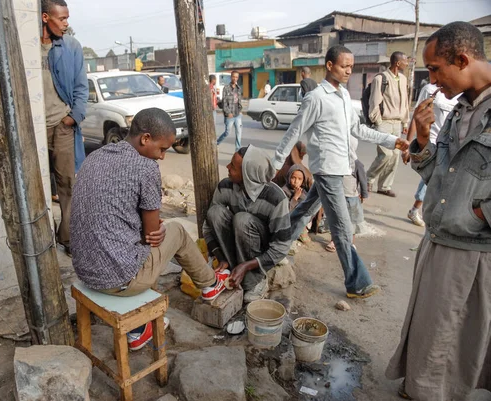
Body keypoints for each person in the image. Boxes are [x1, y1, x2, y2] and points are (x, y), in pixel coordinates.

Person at [386, 21, 491, 401]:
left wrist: (478, 214)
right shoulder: (461, 109)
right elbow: (438, 177)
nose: (431, 81)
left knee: (452, 334)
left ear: (462, 59)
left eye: (434, 69)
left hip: (472, 250)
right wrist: (424, 139)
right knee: (430, 327)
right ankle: (420, 390)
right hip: (438, 238)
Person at [71, 108, 230, 351]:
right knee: (175, 231)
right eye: (162, 149)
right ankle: (210, 284)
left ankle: (137, 330)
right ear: (145, 139)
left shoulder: (96, 156)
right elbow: (151, 234)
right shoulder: (145, 168)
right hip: (119, 281)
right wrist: (155, 227)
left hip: (85, 271)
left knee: (135, 237)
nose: (163, 157)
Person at [272, 45, 410, 299]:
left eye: (351, 66)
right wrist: (276, 161)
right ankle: (356, 283)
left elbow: (358, 130)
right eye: (344, 66)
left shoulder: (345, 96)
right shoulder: (316, 98)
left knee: (303, 211)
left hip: (341, 167)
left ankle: (274, 244)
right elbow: (294, 131)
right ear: (329, 66)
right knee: (343, 228)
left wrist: (392, 140)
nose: (349, 71)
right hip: (327, 170)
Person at [203, 145, 293, 303]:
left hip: (261, 249)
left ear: (248, 175)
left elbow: (281, 247)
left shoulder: (277, 199)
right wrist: (220, 256)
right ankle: (232, 268)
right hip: (239, 240)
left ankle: (256, 280)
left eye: (233, 167)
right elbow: (207, 227)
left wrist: (247, 265)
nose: (228, 167)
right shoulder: (226, 186)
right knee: (215, 212)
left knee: (242, 219)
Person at [41, 0, 88, 256]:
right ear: (46, 17)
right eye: (62, 18)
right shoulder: (27, 48)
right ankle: (44, 238)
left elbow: (82, 86)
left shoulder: (71, 46)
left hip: (62, 125)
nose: (66, 23)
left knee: (67, 185)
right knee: (36, 186)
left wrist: (72, 118)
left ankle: (69, 239)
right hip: (33, 129)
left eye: (67, 18)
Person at [404, 82, 460, 226]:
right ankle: (416, 209)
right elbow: (417, 117)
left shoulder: (461, 94)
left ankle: (418, 210)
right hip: (432, 143)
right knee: (433, 178)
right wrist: (408, 144)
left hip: (451, 145)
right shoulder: (430, 90)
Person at [366, 51, 410, 198]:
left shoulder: (403, 79)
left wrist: (405, 121)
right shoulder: (381, 78)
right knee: (385, 154)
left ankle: (384, 186)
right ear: (398, 63)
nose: (407, 63)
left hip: (397, 123)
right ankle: (368, 179)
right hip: (384, 122)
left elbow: (405, 102)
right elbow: (374, 102)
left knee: (395, 156)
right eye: (405, 61)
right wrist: (377, 121)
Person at [326, 137, 366, 252]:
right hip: (337, 197)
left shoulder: (357, 164)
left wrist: (363, 194)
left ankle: (351, 243)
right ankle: (334, 241)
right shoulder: (335, 161)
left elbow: (363, 180)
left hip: (352, 198)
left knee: (352, 222)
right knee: (335, 219)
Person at [217, 71, 243, 151]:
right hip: (230, 115)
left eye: (236, 77)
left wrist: (240, 110)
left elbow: (239, 101)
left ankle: (237, 150)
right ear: (231, 77)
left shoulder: (238, 88)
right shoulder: (226, 88)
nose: (235, 78)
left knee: (239, 132)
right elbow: (224, 102)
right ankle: (217, 142)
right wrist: (228, 113)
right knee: (227, 132)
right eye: (233, 77)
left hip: (237, 114)